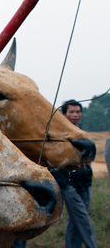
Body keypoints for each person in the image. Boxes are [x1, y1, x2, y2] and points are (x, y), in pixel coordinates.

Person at [50, 100, 97, 248]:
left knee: (75, 222)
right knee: (83, 220)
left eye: (78, 112)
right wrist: (63, 184)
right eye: (72, 112)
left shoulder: (82, 134)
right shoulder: (58, 135)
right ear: (64, 114)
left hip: (85, 183)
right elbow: (52, 161)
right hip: (68, 185)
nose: (75, 115)